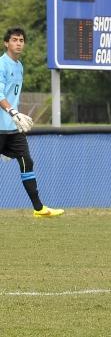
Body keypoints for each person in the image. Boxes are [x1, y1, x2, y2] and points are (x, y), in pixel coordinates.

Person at [0, 27, 64, 217]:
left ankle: (39, 209)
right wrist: (12, 111)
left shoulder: (19, 66)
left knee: (27, 162)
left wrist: (16, 116)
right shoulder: (1, 64)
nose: (18, 43)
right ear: (6, 43)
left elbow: (14, 95)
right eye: (14, 40)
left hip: (12, 129)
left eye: (21, 40)